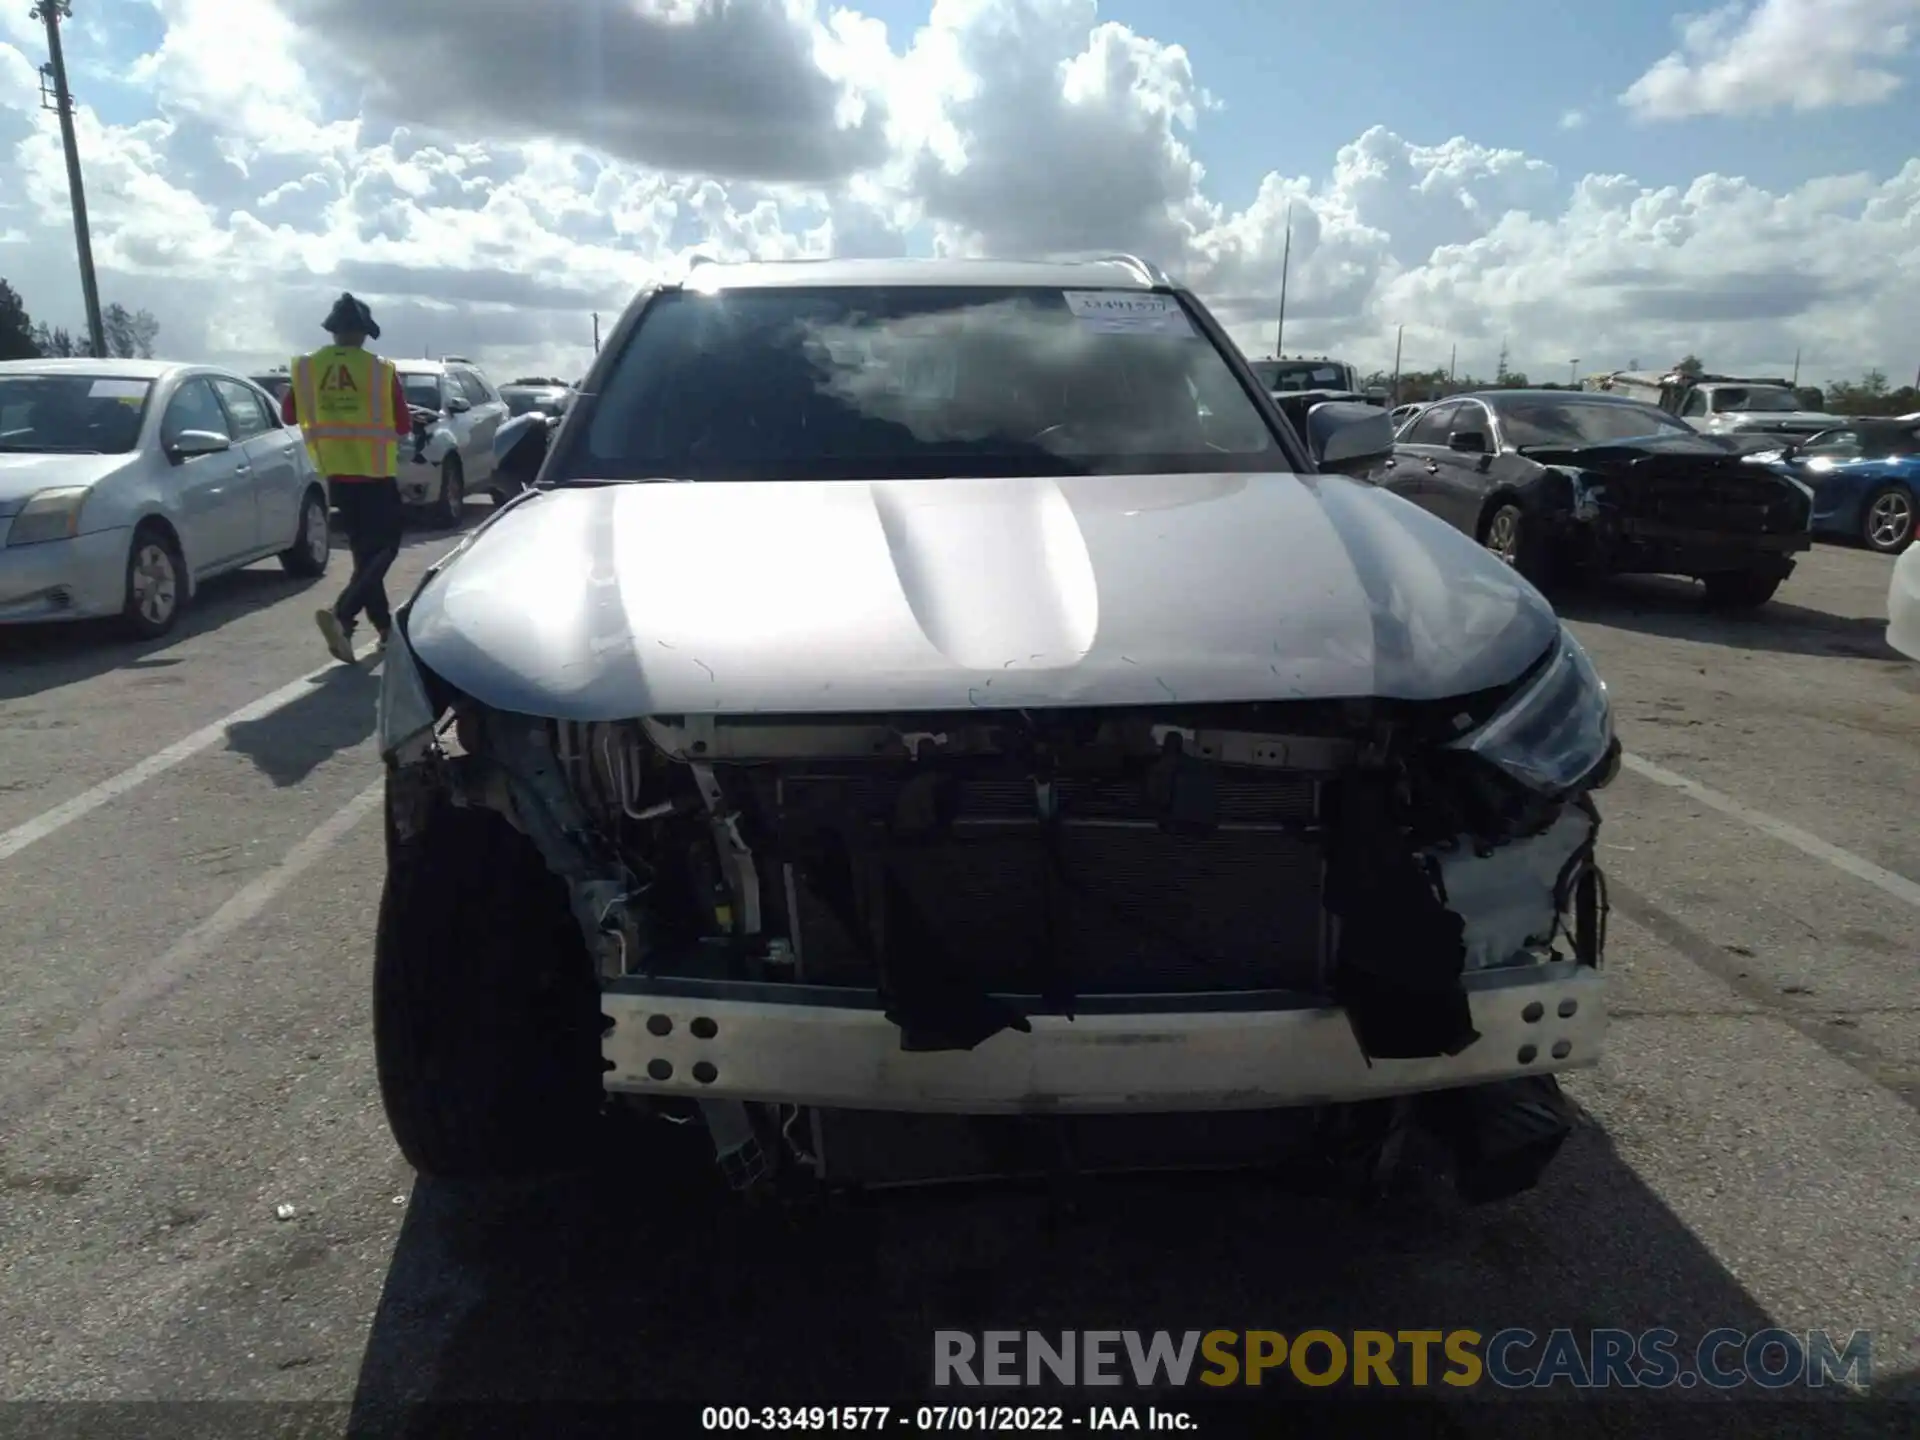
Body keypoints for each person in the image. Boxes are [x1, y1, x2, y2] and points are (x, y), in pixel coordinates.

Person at [281, 293, 413, 664]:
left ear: (334, 331)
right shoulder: (379, 370)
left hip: (336, 473)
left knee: (365, 556)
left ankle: (385, 630)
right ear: (363, 334)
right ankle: (343, 613)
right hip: (374, 471)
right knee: (386, 547)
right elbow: (402, 424)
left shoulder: (307, 369)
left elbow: (289, 415)